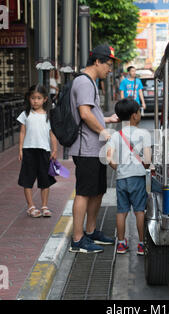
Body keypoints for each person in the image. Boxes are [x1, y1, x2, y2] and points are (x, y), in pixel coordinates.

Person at [68, 44, 120, 254]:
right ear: (97, 62)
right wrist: (103, 131)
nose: (110, 69)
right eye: (108, 64)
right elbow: (84, 114)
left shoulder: (89, 82)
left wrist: (105, 119)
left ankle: (90, 231)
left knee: (98, 191)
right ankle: (77, 239)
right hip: (85, 148)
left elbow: (92, 112)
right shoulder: (84, 82)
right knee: (84, 192)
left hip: (94, 148)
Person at [106, 98, 151, 255]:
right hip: (137, 178)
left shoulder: (115, 135)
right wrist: (146, 166)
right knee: (139, 211)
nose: (140, 114)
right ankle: (140, 244)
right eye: (139, 112)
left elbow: (109, 157)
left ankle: (121, 243)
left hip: (121, 179)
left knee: (121, 211)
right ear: (134, 115)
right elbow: (147, 158)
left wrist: (119, 168)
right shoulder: (143, 134)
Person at [17, 84, 58, 218]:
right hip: (29, 150)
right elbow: (22, 132)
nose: (35, 101)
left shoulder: (48, 116)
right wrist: (20, 149)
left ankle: (44, 205)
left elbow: (52, 134)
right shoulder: (25, 114)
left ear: (45, 99)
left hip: (44, 151)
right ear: (29, 98)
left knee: (44, 179)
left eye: (39, 98)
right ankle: (31, 206)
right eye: (33, 98)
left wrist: (55, 149)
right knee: (27, 178)